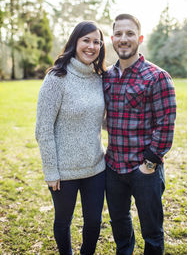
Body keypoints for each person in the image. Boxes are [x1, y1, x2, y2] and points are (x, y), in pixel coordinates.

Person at [103, 14, 176, 255]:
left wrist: (149, 163)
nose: (124, 39)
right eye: (119, 34)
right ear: (113, 39)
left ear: (140, 38)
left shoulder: (157, 76)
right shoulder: (107, 77)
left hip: (144, 170)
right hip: (113, 168)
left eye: (130, 33)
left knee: (152, 231)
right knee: (120, 226)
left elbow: (166, 125)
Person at [35, 21, 106, 255]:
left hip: (96, 167)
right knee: (63, 222)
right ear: (75, 42)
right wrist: (51, 170)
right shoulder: (57, 78)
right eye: (86, 40)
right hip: (63, 172)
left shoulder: (99, 78)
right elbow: (43, 128)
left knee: (94, 223)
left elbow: (99, 119)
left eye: (96, 41)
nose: (91, 46)